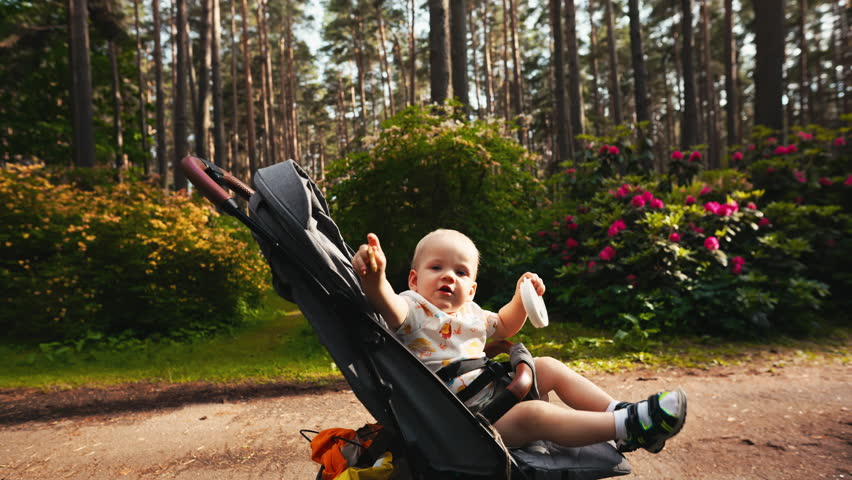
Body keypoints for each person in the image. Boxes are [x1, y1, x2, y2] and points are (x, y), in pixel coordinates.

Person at [352, 229, 687, 453]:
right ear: (414, 278)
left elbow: (505, 326)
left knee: (547, 367)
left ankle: (618, 410)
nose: (448, 276)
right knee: (535, 417)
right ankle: (627, 427)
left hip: (492, 394)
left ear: (471, 290)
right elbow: (389, 307)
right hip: (461, 420)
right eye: (436, 267)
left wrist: (520, 299)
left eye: (461, 272)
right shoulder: (412, 307)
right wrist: (376, 279)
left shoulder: (472, 313)